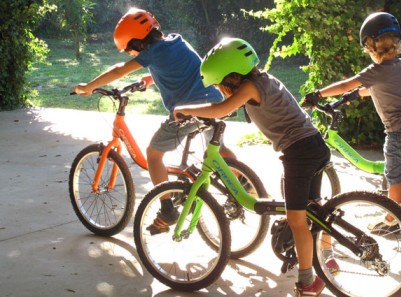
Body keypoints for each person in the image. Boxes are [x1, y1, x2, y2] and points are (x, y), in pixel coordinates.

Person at [173, 37, 336, 296]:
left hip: (299, 152)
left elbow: (221, 108)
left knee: (297, 219)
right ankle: (327, 258)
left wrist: (186, 109)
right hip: (313, 145)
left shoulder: (249, 88)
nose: (220, 89)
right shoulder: (264, 80)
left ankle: (307, 283)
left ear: (231, 77)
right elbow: (229, 107)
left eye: (219, 84)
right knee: (314, 208)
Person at [71, 8, 235, 234]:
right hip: (214, 104)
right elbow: (183, 69)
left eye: (128, 49)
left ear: (138, 43)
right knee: (217, 149)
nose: (130, 54)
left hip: (189, 111)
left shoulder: (152, 53)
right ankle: (243, 182)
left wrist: (88, 87)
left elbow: (119, 70)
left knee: (153, 154)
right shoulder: (176, 41)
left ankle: (167, 208)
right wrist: (151, 77)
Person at [303, 12, 401, 232]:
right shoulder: (398, 65)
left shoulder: (376, 70)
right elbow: (377, 88)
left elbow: (345, 84)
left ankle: (392, 221)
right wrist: (356, 94)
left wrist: (318, 95)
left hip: (399, 131)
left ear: (371, 47)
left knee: (393, 175)